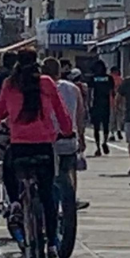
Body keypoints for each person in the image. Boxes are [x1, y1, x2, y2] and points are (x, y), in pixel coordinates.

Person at [0, 55, 74, 258]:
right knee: (48, 195)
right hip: (44, 146)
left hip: (20, 146)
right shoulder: (47, 83)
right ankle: (51, 246)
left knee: (9, 169)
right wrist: (67, 131)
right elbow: (61, 112)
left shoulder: (10, 84)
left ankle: (14, 204)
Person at [47, 59, 86, 211]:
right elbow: (80, 116)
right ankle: (72, 199)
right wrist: (81, 137)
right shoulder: (74, 89)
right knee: (70, 169)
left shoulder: (38, 87)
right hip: (69, 139)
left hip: (46, 141)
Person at [84, 60, 114, 158]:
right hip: (105, 104)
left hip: (96, 104)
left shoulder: (93, 78)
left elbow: (90, 92)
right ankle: (104, 141)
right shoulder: (109, 78)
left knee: (96, 128)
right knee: (106, 125)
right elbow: (112, 92)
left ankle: (98, 147)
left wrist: (88, 104)